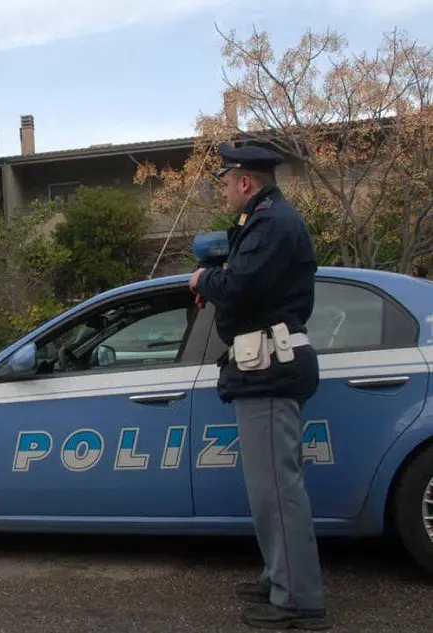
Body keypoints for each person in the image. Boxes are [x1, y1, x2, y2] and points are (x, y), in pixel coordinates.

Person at [189, 143, 331, 630]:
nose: (225, 188)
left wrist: (204, 278)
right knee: (268, 489)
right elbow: (247, 284)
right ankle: (278, 576)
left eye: (226, 181)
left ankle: (298, 602)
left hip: (270, 367)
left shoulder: (272, 223)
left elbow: (239, 286)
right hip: (263, 364)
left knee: (277, 490)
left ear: (245, 182)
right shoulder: (263, 221)